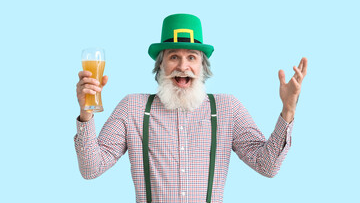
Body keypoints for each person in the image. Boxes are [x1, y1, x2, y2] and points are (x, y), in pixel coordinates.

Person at [74, 13, 307, 203]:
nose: (183, 66)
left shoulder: (228, 108)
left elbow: (267, 166)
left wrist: (288, 110)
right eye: (174, 57)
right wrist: (86, 113)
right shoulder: (132, 107)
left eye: (192, 58)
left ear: (202, 66)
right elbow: (91, 169)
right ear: (161, 65)